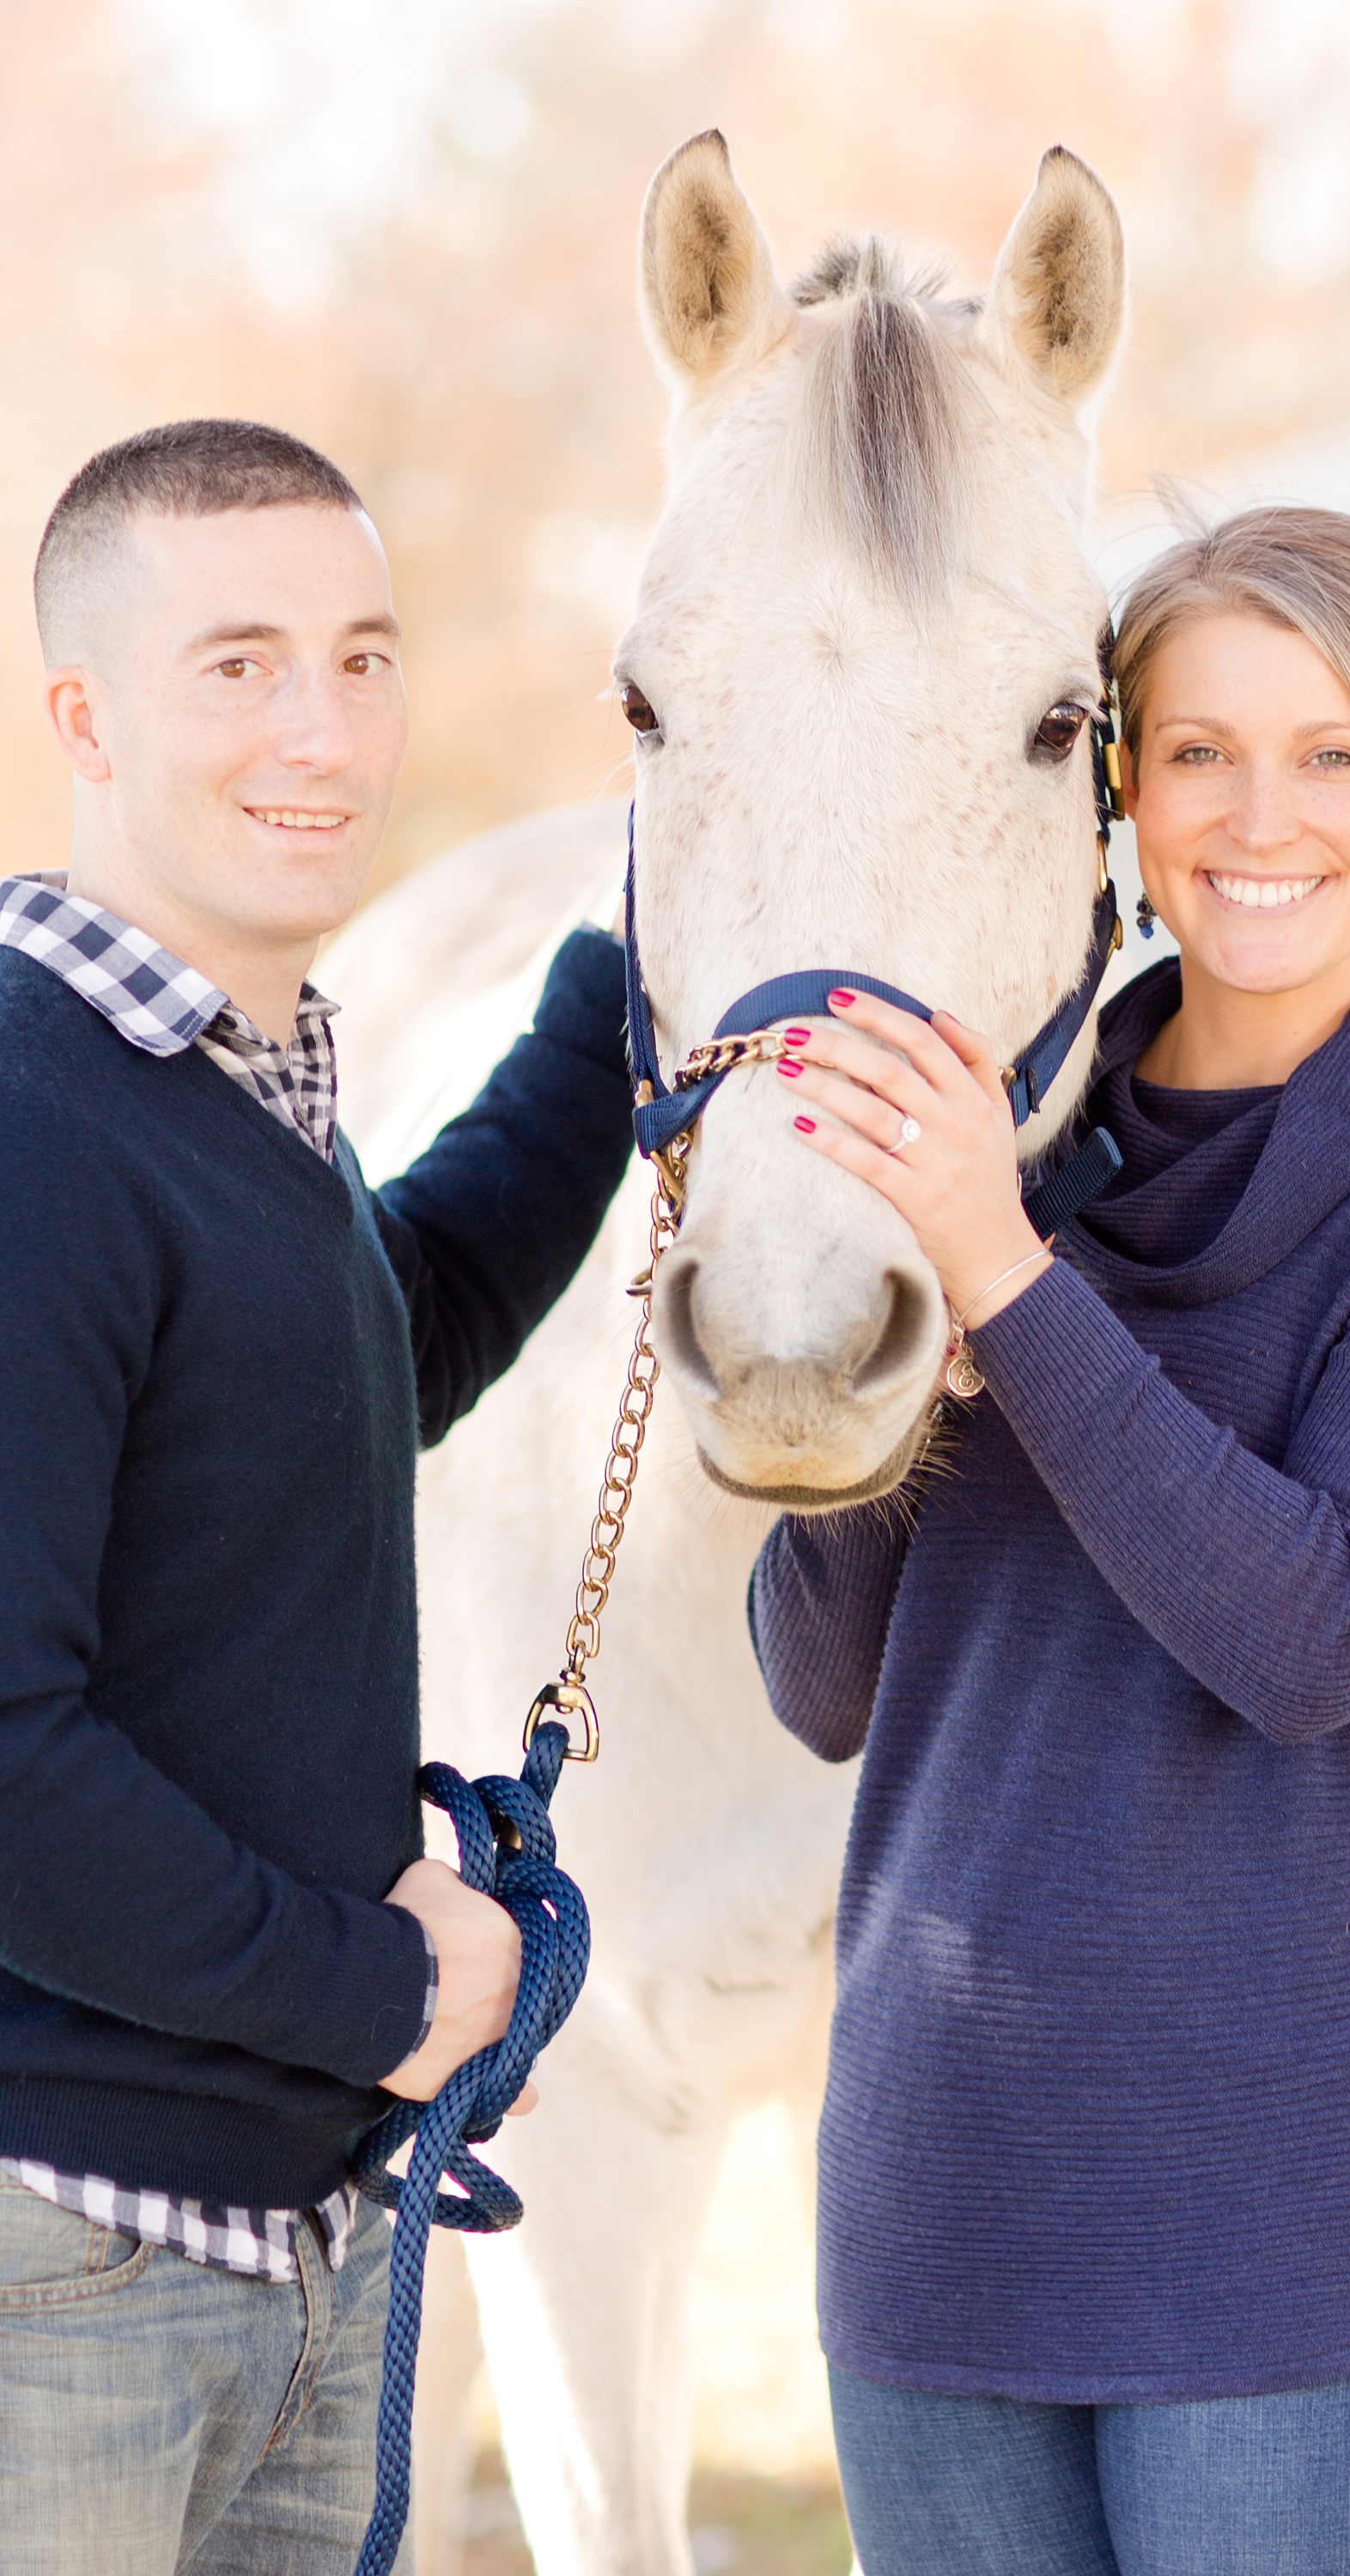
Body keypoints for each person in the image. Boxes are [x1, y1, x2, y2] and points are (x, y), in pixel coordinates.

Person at [750, 507, 1350, 2576]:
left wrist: (1000, 1282)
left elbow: (1314, 1633)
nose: (1263, 817)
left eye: (1334, 755)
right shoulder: (1004, 1147)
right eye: (1199, 751)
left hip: (1324, 2243)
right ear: (1118, 790)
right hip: (941, 2220)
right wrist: (869, 1306)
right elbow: (819, 1686)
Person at [0, 419, 635, 2572]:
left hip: (280, 2256)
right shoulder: (30, 1119)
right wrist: (385, 1997)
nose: (322, 729)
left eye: (363, 660)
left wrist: (631, 973)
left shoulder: (230, 1091)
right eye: (240, 663)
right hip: (60, 2278)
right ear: (81, 718)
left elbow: (380, 1342)